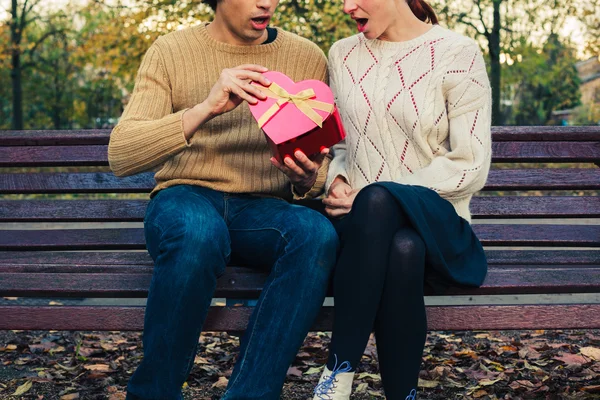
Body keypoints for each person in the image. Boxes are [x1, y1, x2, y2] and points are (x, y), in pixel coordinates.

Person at [107, 0, 339, 398]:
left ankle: (250, 394)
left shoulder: (306, 57)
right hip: (185, 197)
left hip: (262, 209)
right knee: (198, 232)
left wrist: (307, 179)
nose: (267, 3)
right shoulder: (171, 51)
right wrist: (207, 107)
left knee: (316, 233)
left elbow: (319, 166)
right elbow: (122, 154)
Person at [308, 0, 492, 398]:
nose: (346, 6)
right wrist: (337, 179)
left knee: (384, 205)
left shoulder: (457, 53)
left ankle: (335, 377)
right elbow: (339, 142)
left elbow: (470, 163)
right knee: (401, 246)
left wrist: (386, 192)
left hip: (435, 221)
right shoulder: (342, 54)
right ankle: (401, 395)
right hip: (359, 228)